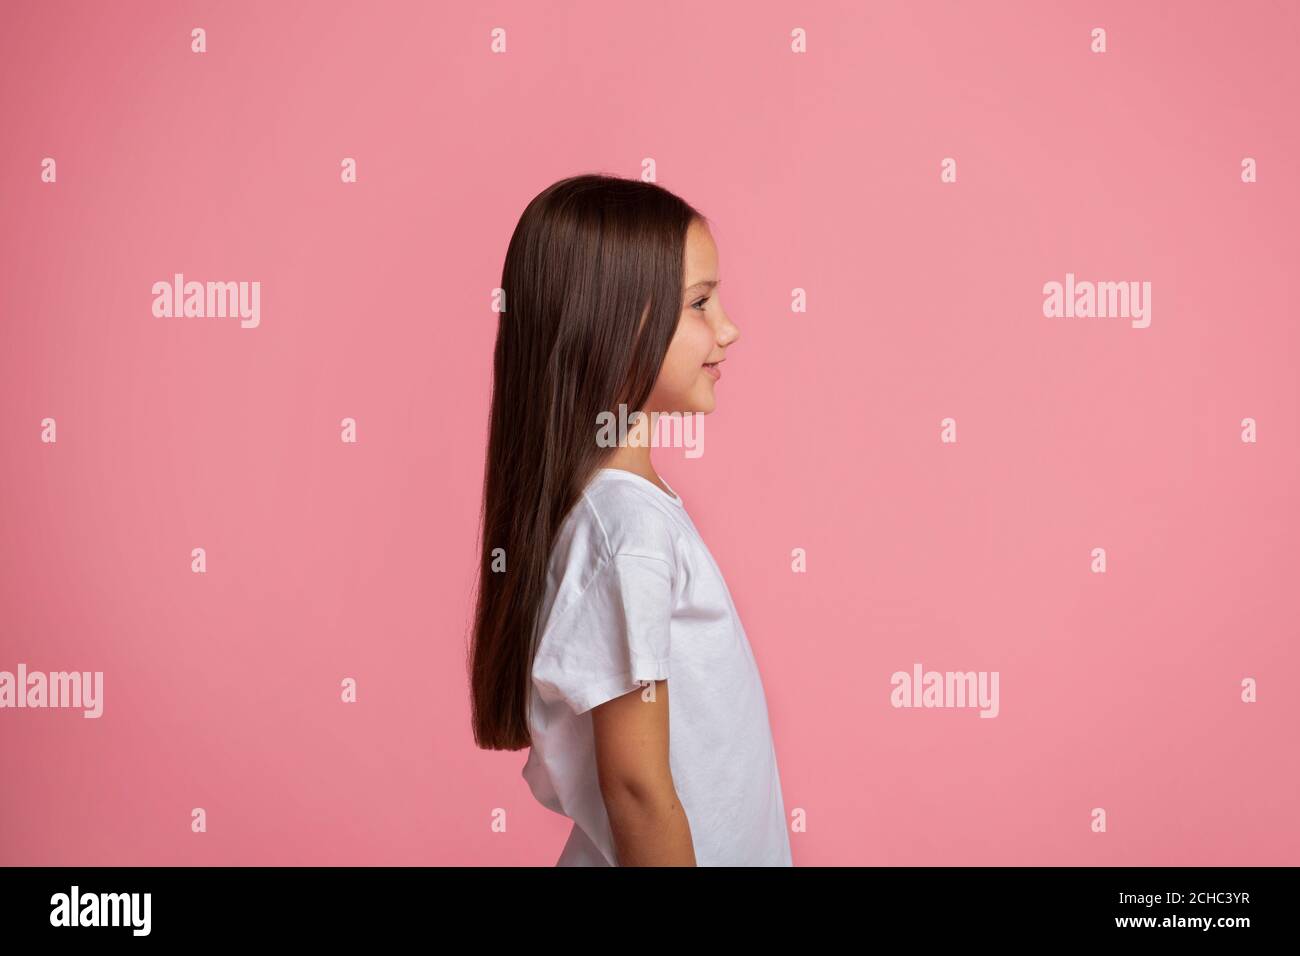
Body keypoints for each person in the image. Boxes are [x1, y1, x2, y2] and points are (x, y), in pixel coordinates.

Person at [468, 173, 791, 866]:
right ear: (616, 322)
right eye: (701, 304)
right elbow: (637, 787)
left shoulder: (629, 516)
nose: (729, 329)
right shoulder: (626, 530)